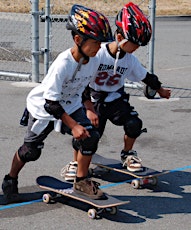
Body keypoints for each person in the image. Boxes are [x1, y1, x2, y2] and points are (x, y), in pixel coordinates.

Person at [2, 4, 114, 202]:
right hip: (43, 109)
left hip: (71, 105)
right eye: (96, 43)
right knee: (30, 152)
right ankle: (10, 179)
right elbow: (50, 103)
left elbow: (84, 85)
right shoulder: (63, 63)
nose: (100, 47)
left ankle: (81, 181)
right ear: (78, 39)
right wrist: (74, 125)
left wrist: (88, 108)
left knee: (90, 137)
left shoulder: (93, 59)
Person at [60, 2, 171, 182]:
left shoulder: (130, 60)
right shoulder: (98, 53)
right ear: (119, 37)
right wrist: (88, 107)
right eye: (134, 43)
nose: (136, 48)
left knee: (134, 123)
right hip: (94, 99)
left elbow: (146, 77)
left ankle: (127, 154)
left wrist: (160, 90)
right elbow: (82, 82)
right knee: (89, 135)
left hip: (115, 99)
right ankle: (75, 163)